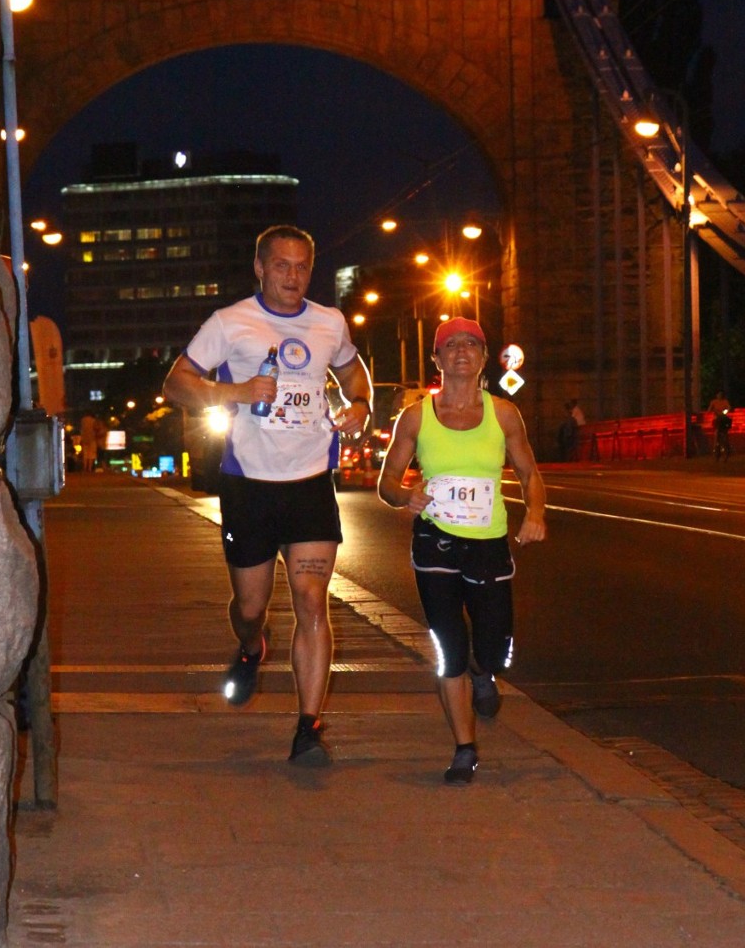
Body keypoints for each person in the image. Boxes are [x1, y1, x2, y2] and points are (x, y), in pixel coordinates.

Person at [163, 224, 372, 765]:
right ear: (260, 268)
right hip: (249, 485)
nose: (293, 277)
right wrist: (233, 391)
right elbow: (176, 383)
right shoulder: (230, 323)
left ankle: (309, 727)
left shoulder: (329, 322)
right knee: (251, 607)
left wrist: (361, 407)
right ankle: (252, 645)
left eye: (302, 266)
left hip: (308, 483)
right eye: (281, 265)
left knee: (310, 601)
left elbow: (353, 371)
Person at [378, 317, 546, 785]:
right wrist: (405, 495)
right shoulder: (416, 417)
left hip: (488, 544)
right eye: (450, 345)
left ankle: (483, 669)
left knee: (493, 646)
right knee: (448, 647)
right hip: (435, 543)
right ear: (437, 359)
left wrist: (535, 513)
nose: (460, 351)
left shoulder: (504, 414)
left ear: (483, 357)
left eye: (471, 344)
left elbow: (530, 472)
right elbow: (386, 483)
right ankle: (464, 748)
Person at [707, 391, 732, 459]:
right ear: (716, 395)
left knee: (725, 431)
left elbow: (729, 407)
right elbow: (709, 409)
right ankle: (716, 447)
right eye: (718, 395)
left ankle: (726, 446)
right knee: (716, 432)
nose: (719, 396)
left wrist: (726, 411)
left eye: (721, 395)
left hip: (723, 419)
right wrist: (712, 411)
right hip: (717, 419)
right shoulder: (714, 402)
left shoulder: (725, 401)